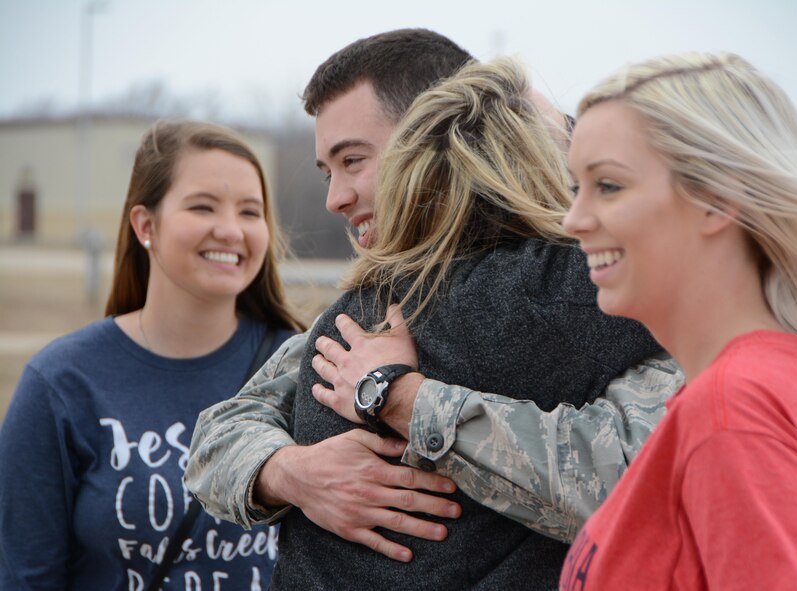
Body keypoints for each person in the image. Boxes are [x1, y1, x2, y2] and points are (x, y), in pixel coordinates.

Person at [185, 28, 679, 558]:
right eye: (327, 171)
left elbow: (636, 478)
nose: (334, 198)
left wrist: (401, 397)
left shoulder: (617, 272)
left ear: (437, 130)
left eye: (353, 161)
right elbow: (221, 434)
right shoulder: (381, 306)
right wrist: (292, 473)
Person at [556, 52, 797, 589]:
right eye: (576, 188)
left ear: (716, 199)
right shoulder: (793, 378)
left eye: (609, 186)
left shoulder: (735, 408)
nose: (574, 220)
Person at [0, 120, 303, 589]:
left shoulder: (304, 367)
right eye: (203, 207)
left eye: (250, 212)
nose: (230, 230)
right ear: (146, 225)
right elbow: (25, 573)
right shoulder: (61, 381)